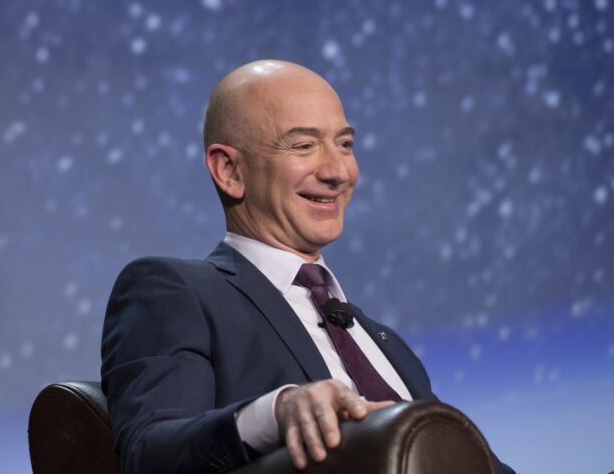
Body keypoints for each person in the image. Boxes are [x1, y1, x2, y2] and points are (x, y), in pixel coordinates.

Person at [100, 60, 513, 473]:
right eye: (303, 145)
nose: (337, 172)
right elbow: (148, 454)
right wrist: (277, 412)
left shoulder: (386, 344)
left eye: (345, 144)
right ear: (230, 170)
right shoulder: (178, 292)